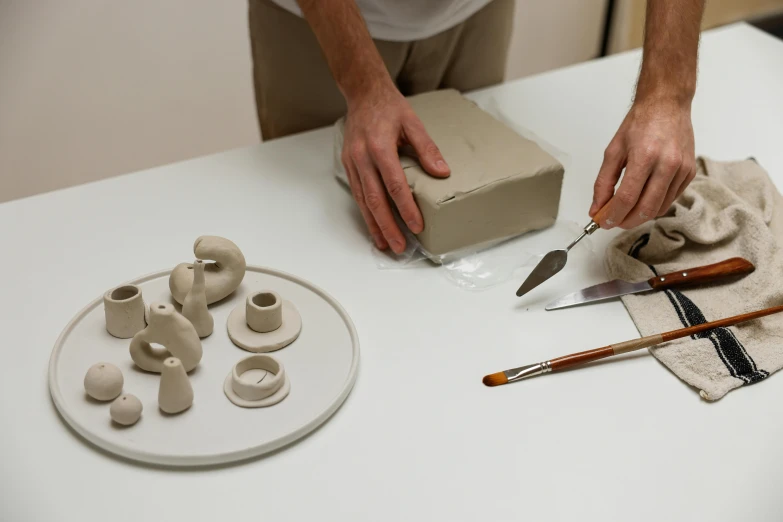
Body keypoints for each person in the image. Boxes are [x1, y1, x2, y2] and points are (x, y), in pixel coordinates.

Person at [249, 0, 705, 254]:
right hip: (325, 20)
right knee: (316, 239)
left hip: (475, 12)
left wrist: (668, 93)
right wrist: (363, 85)